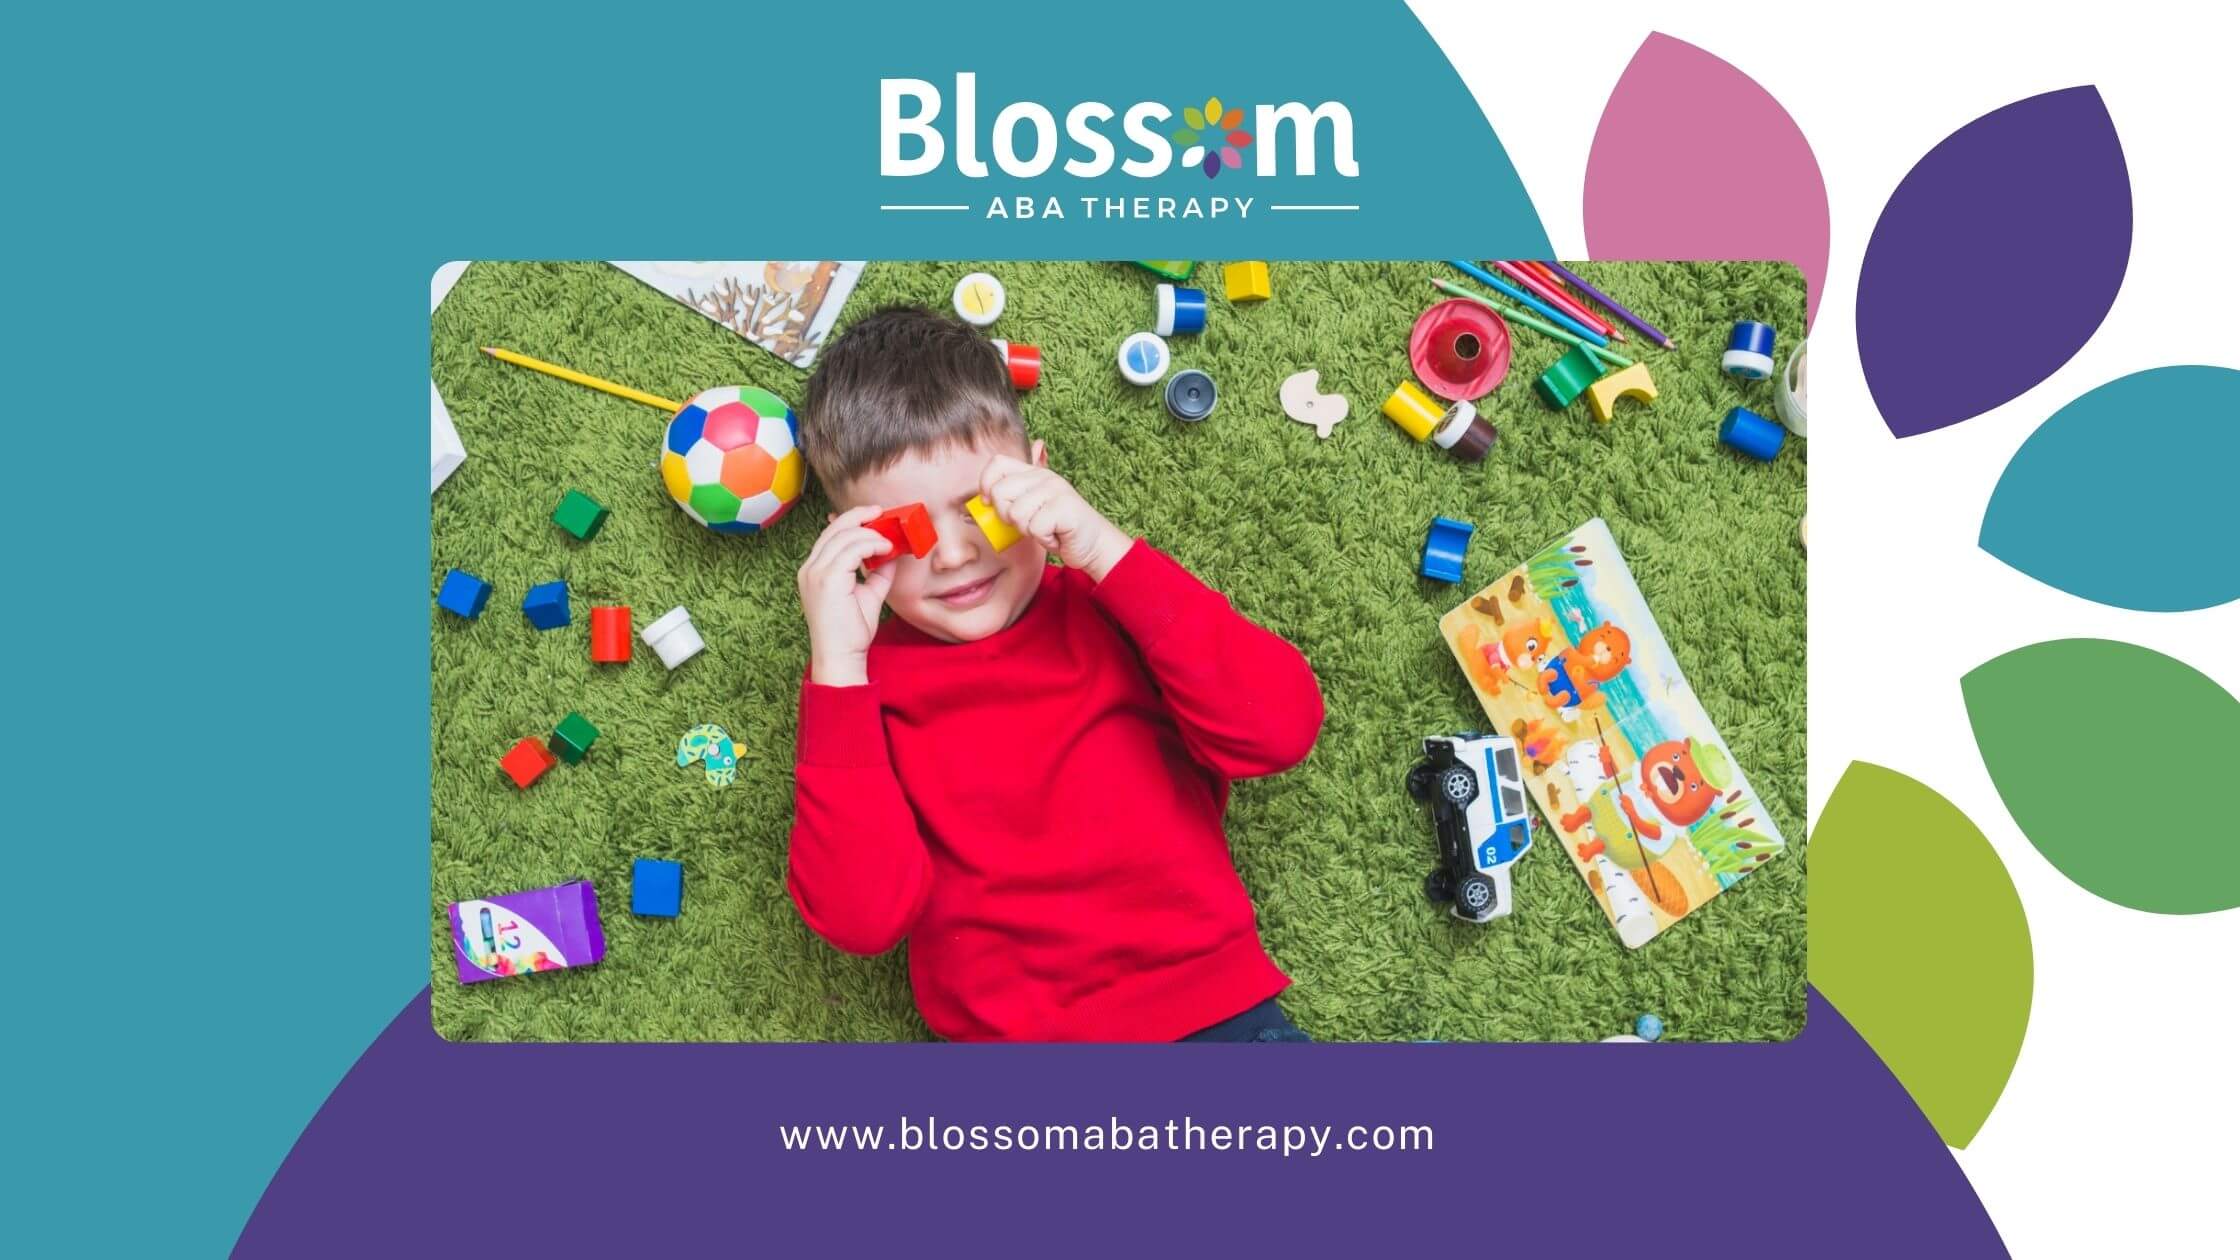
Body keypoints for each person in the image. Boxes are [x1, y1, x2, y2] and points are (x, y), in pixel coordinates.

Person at [786, 306, 1324, 1042]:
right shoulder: (856, 687)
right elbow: (862, 916)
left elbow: (1279, 731)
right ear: (851, 545)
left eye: (981, 508)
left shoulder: (1117, 605)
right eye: (905, 531)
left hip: (1211, 1018)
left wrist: (1102, 547)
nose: (951, 555)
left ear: (1038, 478)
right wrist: (838, 667)